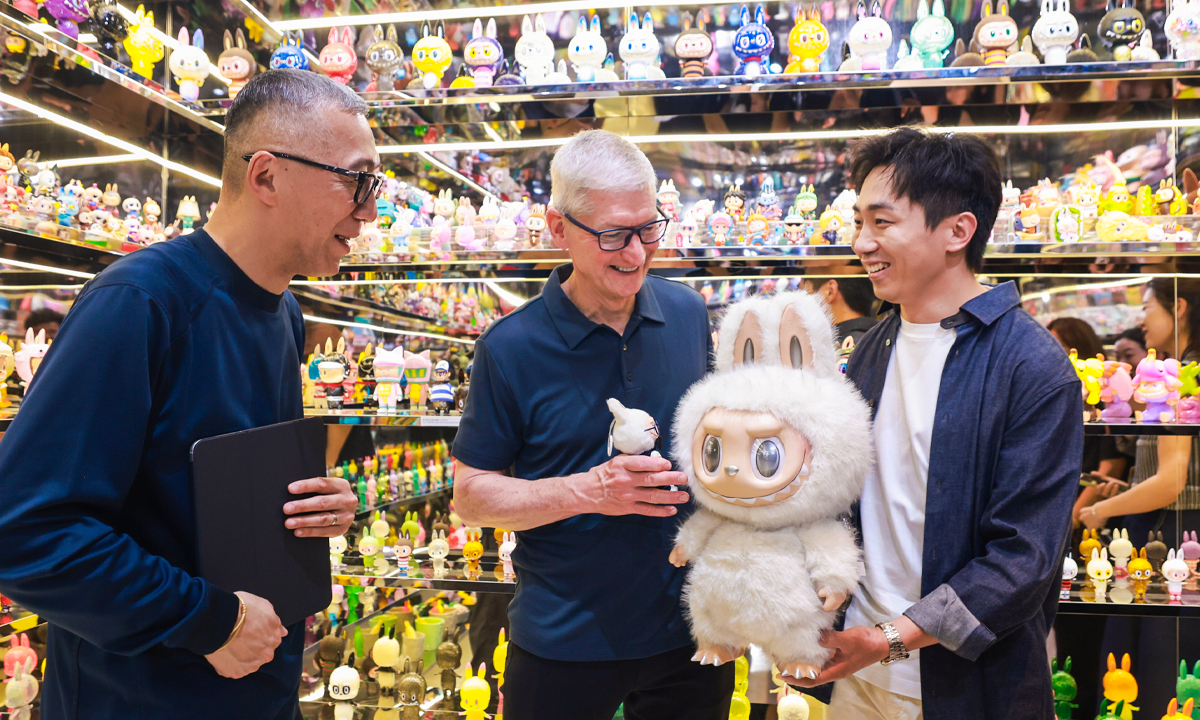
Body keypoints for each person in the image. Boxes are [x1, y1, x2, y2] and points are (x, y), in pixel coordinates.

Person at [0, 69, 375, 718]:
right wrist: (211, 620)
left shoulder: (281, 311)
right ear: (265, 177)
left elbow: (207, 486)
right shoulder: (140, 304)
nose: (370, 209)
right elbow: (26, 532)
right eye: (357, 180)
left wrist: (306, 505)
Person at [789, 128, 1083, 719]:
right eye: (858, 222)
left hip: (970, 686)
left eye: (882, 222)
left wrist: (890, 638)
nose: (861, 243)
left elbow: (1023, 559)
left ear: (958, 231)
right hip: (857, 675)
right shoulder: (873, 347)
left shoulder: (1031, 367)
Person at [451, 129, 732, 719]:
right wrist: (590, 491)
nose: (635, 254)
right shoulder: (510, 347)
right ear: (558, 229)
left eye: (648, 228)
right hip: (561, 641)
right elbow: (472, 497)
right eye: (611, 235)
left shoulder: (685, 312)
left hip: (691, 635)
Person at [1083, 278, 1200, 717]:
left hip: (1174, 531)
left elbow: (1172, 482)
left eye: (1148, 306)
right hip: (1168, 526)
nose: (1141, 319)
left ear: (1179, 306)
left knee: (1159, 672)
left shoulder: (1182, 377)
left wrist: (1100, 509)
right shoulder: (1180, 373)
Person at [804, 276, 878, 347]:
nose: (804, 302)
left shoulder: (843, 347)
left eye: (808, 293)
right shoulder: (877, 338)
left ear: (830, 291)